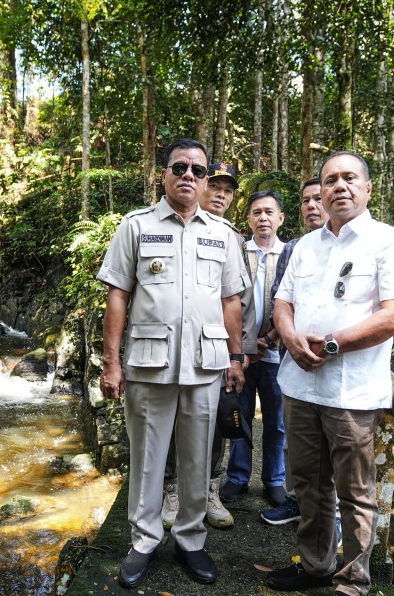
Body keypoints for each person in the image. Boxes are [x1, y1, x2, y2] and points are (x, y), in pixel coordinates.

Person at [97, 139, 249, 588]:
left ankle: (190, 540)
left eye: (198, 170)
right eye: (179, 167)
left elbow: (231, 301)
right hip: (149, 364)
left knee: (198, 459)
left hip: (205, 364)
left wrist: (236, 357)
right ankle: (144, 540)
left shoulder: (223, 233)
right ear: (162, 174)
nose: (188, 175)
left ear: (205, 180)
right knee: (147, 457)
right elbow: (118, 296)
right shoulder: (136, 226)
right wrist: (111, 363)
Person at [268, 152, 394, 595]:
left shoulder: (388, 241)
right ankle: (316, 565)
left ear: (367, 188)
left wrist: (332, 344)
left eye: (349, 178)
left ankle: (352, 582)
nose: (339, 186)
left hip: (351, 392)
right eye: (330, 179)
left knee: (355, 491)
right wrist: (290, 338)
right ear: (321, 190)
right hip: (299, 386)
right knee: (308, 485)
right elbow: (283, 303)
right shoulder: (306, 245)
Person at [161, 161, 256, 531]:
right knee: (172, 422)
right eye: (214, 186)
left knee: (219, 421)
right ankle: (172, 490)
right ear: (199, 187)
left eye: (228, 191)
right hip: (177, 346)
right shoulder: (170, 228)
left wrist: (239, 354)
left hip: (217, 349)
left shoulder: (232, 237)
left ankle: (210, 491)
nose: (220, 195)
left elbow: (241, 301)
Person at [260, 176, 328, 526]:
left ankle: (333, 517)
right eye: (306, 201)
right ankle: (295, 500)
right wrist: (279, 339)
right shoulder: (294, 248)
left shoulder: (361, 245)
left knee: (334, 443)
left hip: (337, 362)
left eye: (318, 198)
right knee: (294, 436)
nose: (312, 206)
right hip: (293, 360)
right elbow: (280, 301)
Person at [219, 190, 288, 508]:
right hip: (241, 353)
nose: (263, 218)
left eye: (269, 212)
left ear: (280, 218)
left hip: (276, 352)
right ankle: (237, 476)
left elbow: (293, 301)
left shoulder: (289, 254)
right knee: (239, 414)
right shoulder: (237, 251)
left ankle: (275, 480)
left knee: (276, 421)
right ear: (248, 220)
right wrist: (245, 345)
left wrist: (270, 339)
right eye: (257, 212)